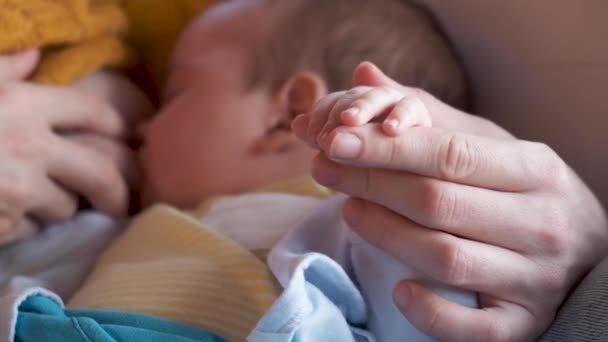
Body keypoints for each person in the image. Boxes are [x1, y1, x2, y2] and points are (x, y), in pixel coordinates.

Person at [0, 1, 606, 342]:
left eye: (176, 93)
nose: (144, 124)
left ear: (286, 113)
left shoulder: (341, 214)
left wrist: (391, 137)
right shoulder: (122, 231)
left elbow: (430, 297)